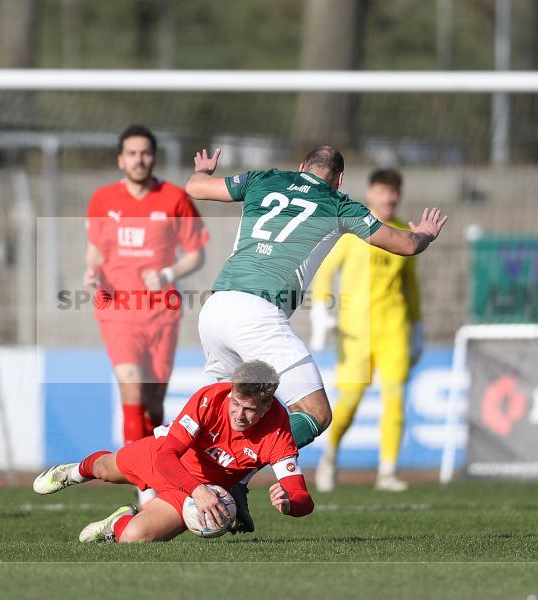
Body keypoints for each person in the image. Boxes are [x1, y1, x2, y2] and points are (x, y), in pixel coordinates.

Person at [185, 146, 446, 531]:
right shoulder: (339, 203)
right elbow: (405, 245)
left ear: (301, 167)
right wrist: (423, 233)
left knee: (214, 410)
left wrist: (205, 170)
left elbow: (196, 186)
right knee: (316, 413)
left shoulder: (263, 178)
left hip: (216, 306)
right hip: (258, 314)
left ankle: (173, 484)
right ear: (339, 179)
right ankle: (232, 476)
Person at [33, 360, 314, 543]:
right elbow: (166, 456)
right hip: (166, 458)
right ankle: (71, 472)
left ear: (266, 408)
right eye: (236, 404)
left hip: (195, 491)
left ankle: (116, 523)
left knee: (134, 538)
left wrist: (289, 503)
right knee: (103, 469)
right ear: (231, 392)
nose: (239, 415)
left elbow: (303, 498)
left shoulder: (278, 433)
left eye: (250, 410)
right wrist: (198, 490)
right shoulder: (210, 399)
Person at [85, 125, 209, 503]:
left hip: (161, 312)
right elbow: (95, 251)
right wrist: (91, 273)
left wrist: (168, 274)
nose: (139, 159)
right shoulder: (102, 199)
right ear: (121, 159)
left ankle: (156, 464)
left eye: (145, 153)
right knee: (131, 387)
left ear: (153, 157)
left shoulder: (174, 198)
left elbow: (196, 253)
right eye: (132, 153)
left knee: (154, 404)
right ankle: (143, 485)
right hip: (117, 308)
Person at [310, 168, 423, 493]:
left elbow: (410, 285)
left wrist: (417, 325)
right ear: (371, 193)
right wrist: (321, 310)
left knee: (395, 397)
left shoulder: (404, 232)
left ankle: (387, 471)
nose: (388, 198)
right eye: (383, 191)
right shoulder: (353, 228)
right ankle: (329, 457)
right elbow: (326, 270)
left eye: (394, 192)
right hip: (355, 330)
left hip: (394, 328)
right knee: (351, 399)